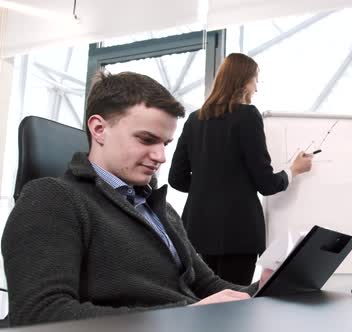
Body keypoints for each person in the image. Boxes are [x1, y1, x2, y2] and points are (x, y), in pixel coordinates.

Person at [1, 71, 268, 327]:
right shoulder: (54, 199)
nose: (161, 156)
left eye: (165, 143)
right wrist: (183, 317)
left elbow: (208, 286)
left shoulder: (158, 208)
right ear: (98, 129)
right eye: (146, 139)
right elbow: (39, 315)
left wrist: (266, 286)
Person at [168, 53, 313, 285]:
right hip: (238, 232)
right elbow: (266, 184)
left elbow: (176, 179)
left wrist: (208, 186)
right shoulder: (247, 116)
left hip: (197, 231)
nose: (256, 88)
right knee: (234, 307)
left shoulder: (195, 120)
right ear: (244, 81)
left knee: (203, 306)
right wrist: (293, 170)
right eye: (256, 80)